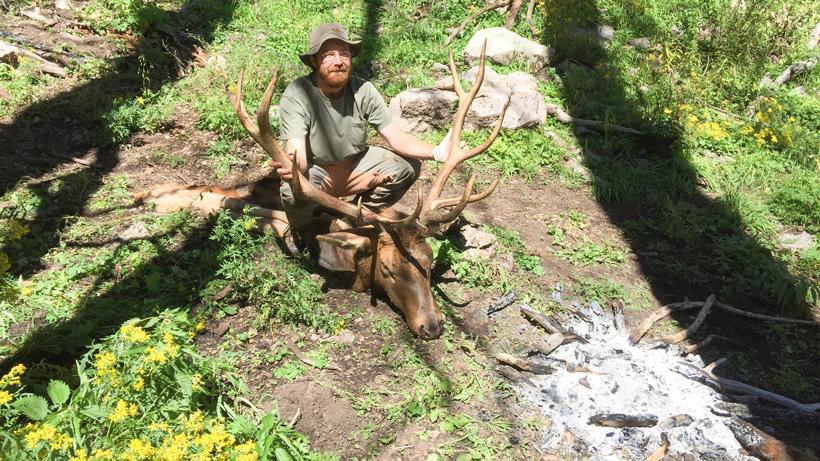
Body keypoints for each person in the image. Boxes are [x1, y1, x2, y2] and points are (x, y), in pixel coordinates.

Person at [274, 22, 454, 247]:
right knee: (294, 191)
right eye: (329, 55)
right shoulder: (298, 93)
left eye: (344, 54)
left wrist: (437, 152)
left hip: (354, 166)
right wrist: (293, 166)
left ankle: (354, 219)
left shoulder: (363, 90)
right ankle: (301, 233)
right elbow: (296, 150)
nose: (338, 61)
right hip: (317, 170)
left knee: (406, 168)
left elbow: (396, 138)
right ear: (314, 61)